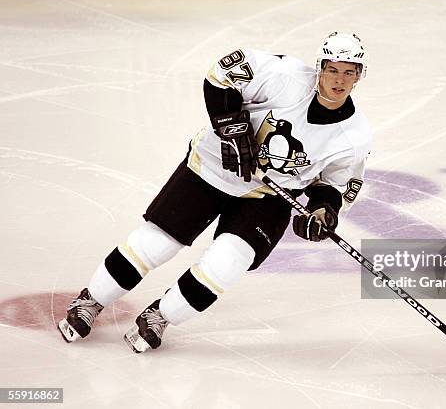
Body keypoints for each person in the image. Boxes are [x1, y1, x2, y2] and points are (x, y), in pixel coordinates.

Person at [57, 31, 372, 353]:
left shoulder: (354, 136)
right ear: (320, 67)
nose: (339, 79)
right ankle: (92, 301)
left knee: (227, 263)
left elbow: (335, 185)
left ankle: (160, 317)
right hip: (211, 168)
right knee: (158, 242)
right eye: (333, 69)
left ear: (359, 76)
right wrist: (232, 128)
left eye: (349, 71)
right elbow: (220, 76)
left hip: (268, 196)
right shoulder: (283, 77)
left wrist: (322, 212)